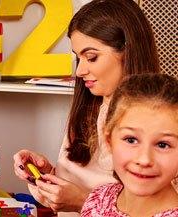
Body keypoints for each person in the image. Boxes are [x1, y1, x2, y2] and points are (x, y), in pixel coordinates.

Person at [12, 0, 164, 215]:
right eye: (78, 57)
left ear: (128, 52)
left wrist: (83, 202)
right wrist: (46, 175)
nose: (80, 70)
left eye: (91, 57)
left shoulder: (162, 122)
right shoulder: (92, 107)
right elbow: (81, 185)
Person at [81, 73, 178, 216]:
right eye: (131, 140)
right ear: (109, 140)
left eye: (163, 145)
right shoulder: (98, 200)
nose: (144, 160)